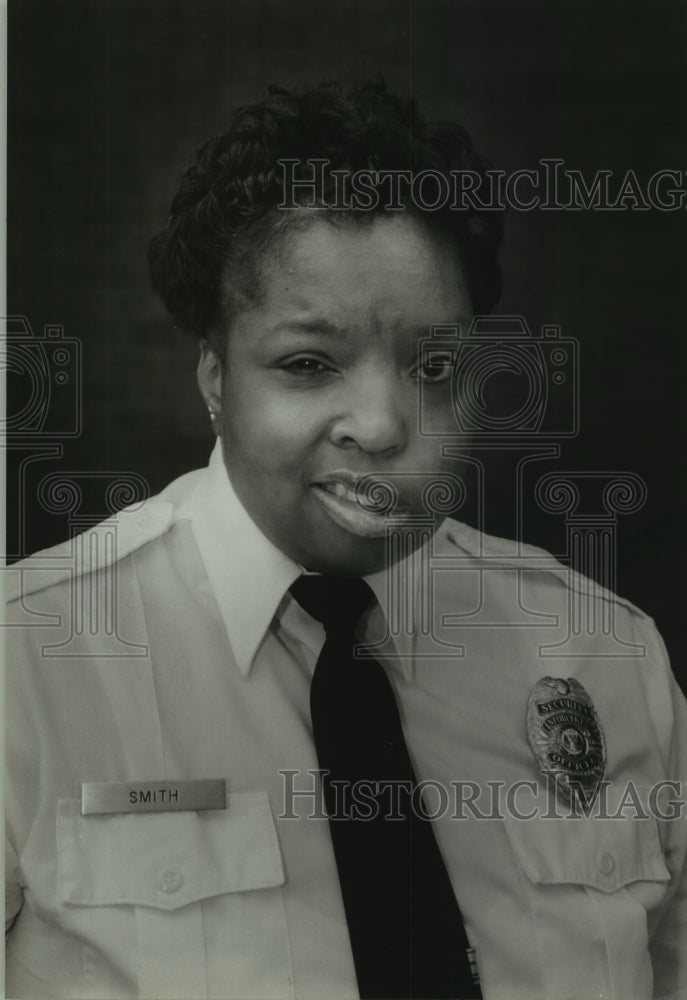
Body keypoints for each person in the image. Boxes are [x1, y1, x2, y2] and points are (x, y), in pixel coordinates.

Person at [4, 80, 686, 1000]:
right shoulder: (29, 667)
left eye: (434, 364)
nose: (381, 423)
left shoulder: (607, 655)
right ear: (215, 374)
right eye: (307, 363)